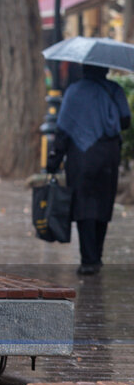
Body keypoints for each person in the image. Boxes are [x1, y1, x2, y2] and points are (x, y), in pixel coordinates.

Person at [48, 64, 131, 275]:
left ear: (84, 69)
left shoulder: (74, 91)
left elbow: (63, 129)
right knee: (103, 203)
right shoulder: (114, 89)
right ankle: (98, 256)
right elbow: (125, 121)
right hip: (109, 153)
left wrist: (54, 160)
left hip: (80, 156)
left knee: (84, 205)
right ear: (104, 69)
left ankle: (88, 259)